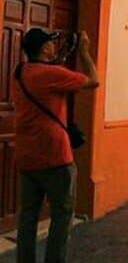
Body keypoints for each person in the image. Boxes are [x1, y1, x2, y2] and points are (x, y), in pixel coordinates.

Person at [14, 29, 98, 263]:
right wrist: (84, 52)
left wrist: (60, 58)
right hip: (55, 155)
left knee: (28, 217)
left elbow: (47, 79)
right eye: (50, 43)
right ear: (44, 48)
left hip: (27, 155)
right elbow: (94, 80)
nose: (53, 45)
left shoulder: (20, 72)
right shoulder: (52, 74)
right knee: (62, 215)